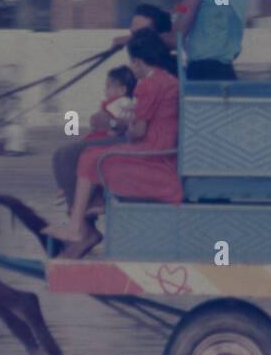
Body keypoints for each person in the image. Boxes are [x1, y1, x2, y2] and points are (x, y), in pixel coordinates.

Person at [45, 29, 182, 258]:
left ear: (137, 62)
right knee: (94, 156)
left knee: (90, 158)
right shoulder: (168, 80)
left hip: (152, 153)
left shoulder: (148, 85)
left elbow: (139, 132)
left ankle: (77, 225)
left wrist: (123, 122)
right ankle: (82, 219)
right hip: (162, 150)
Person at [51, 65, 136, 209]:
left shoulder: (123, 102)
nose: (105, 90)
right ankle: (66, 189)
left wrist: (111, 125)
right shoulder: (113, 103)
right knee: (58, 155)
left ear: (122, 90)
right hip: (101, 135)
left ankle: (75, 203)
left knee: (69, 153)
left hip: (113, 138)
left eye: (109, 87)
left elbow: (123, 123)